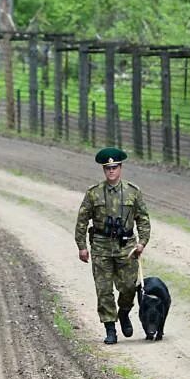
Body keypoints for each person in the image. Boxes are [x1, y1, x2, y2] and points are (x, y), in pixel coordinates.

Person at [74, 147, 151, 344]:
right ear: (103, 169)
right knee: (104, 289)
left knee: (127, 287)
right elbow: (82, 220)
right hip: (101, 246)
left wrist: (142, 242)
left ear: (120, 168)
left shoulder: (133, 192)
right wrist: (82, 246)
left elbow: (143, 219)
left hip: (126, 247)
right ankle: (110, 328)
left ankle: (124, 312)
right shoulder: (93, 194)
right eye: (107, 168)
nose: (111, 171)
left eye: (114, 167)